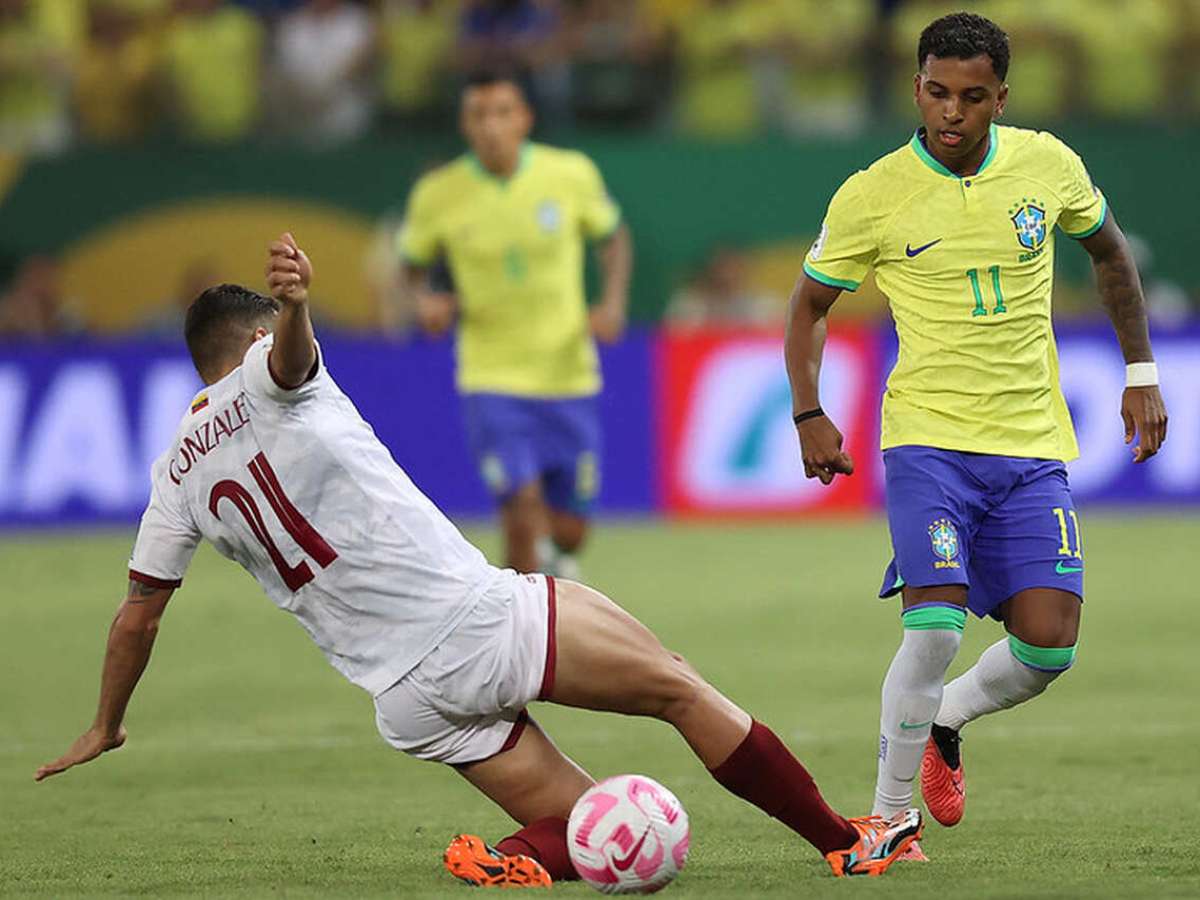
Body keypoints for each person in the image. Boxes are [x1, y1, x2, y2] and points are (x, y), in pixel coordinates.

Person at [35, 234, 922, 885]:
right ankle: (844, 841)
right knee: (680, 689)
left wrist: (107, 720)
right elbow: (293, 358)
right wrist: (298, 305)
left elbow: (138, 615)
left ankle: (505, 860)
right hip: (477, 619)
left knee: (586, 830)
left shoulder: (173, 478)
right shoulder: (275, 370)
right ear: (254, 338)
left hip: (406, 698)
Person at [784, 12, 1168, 862]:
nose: (950, 112)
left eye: (970, 96)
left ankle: (947, 719)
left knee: (1046, 647)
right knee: (935, 628)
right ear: (915, 86)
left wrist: (1140, 373)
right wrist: (809, 412)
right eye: (935, 92)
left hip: (1032, 446)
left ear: (1001, 96)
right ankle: (888, 819)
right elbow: (809, 306)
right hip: (926, 439)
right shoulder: (872, 192)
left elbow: (1110, 256)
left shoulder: (1048, 164)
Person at [399, 71, 632, 578]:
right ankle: (521, 633)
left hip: (567, 372)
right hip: (490, 375)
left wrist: (612, 303)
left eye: (503, 113)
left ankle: (553, 566)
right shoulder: (438, 193)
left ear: (525, 118)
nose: (491, 127)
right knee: (519, 503)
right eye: (479, 115)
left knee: (571, 529)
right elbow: (410, 264)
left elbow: (612, 238)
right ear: (465, 124)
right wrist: (425, 301)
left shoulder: (570, 174)